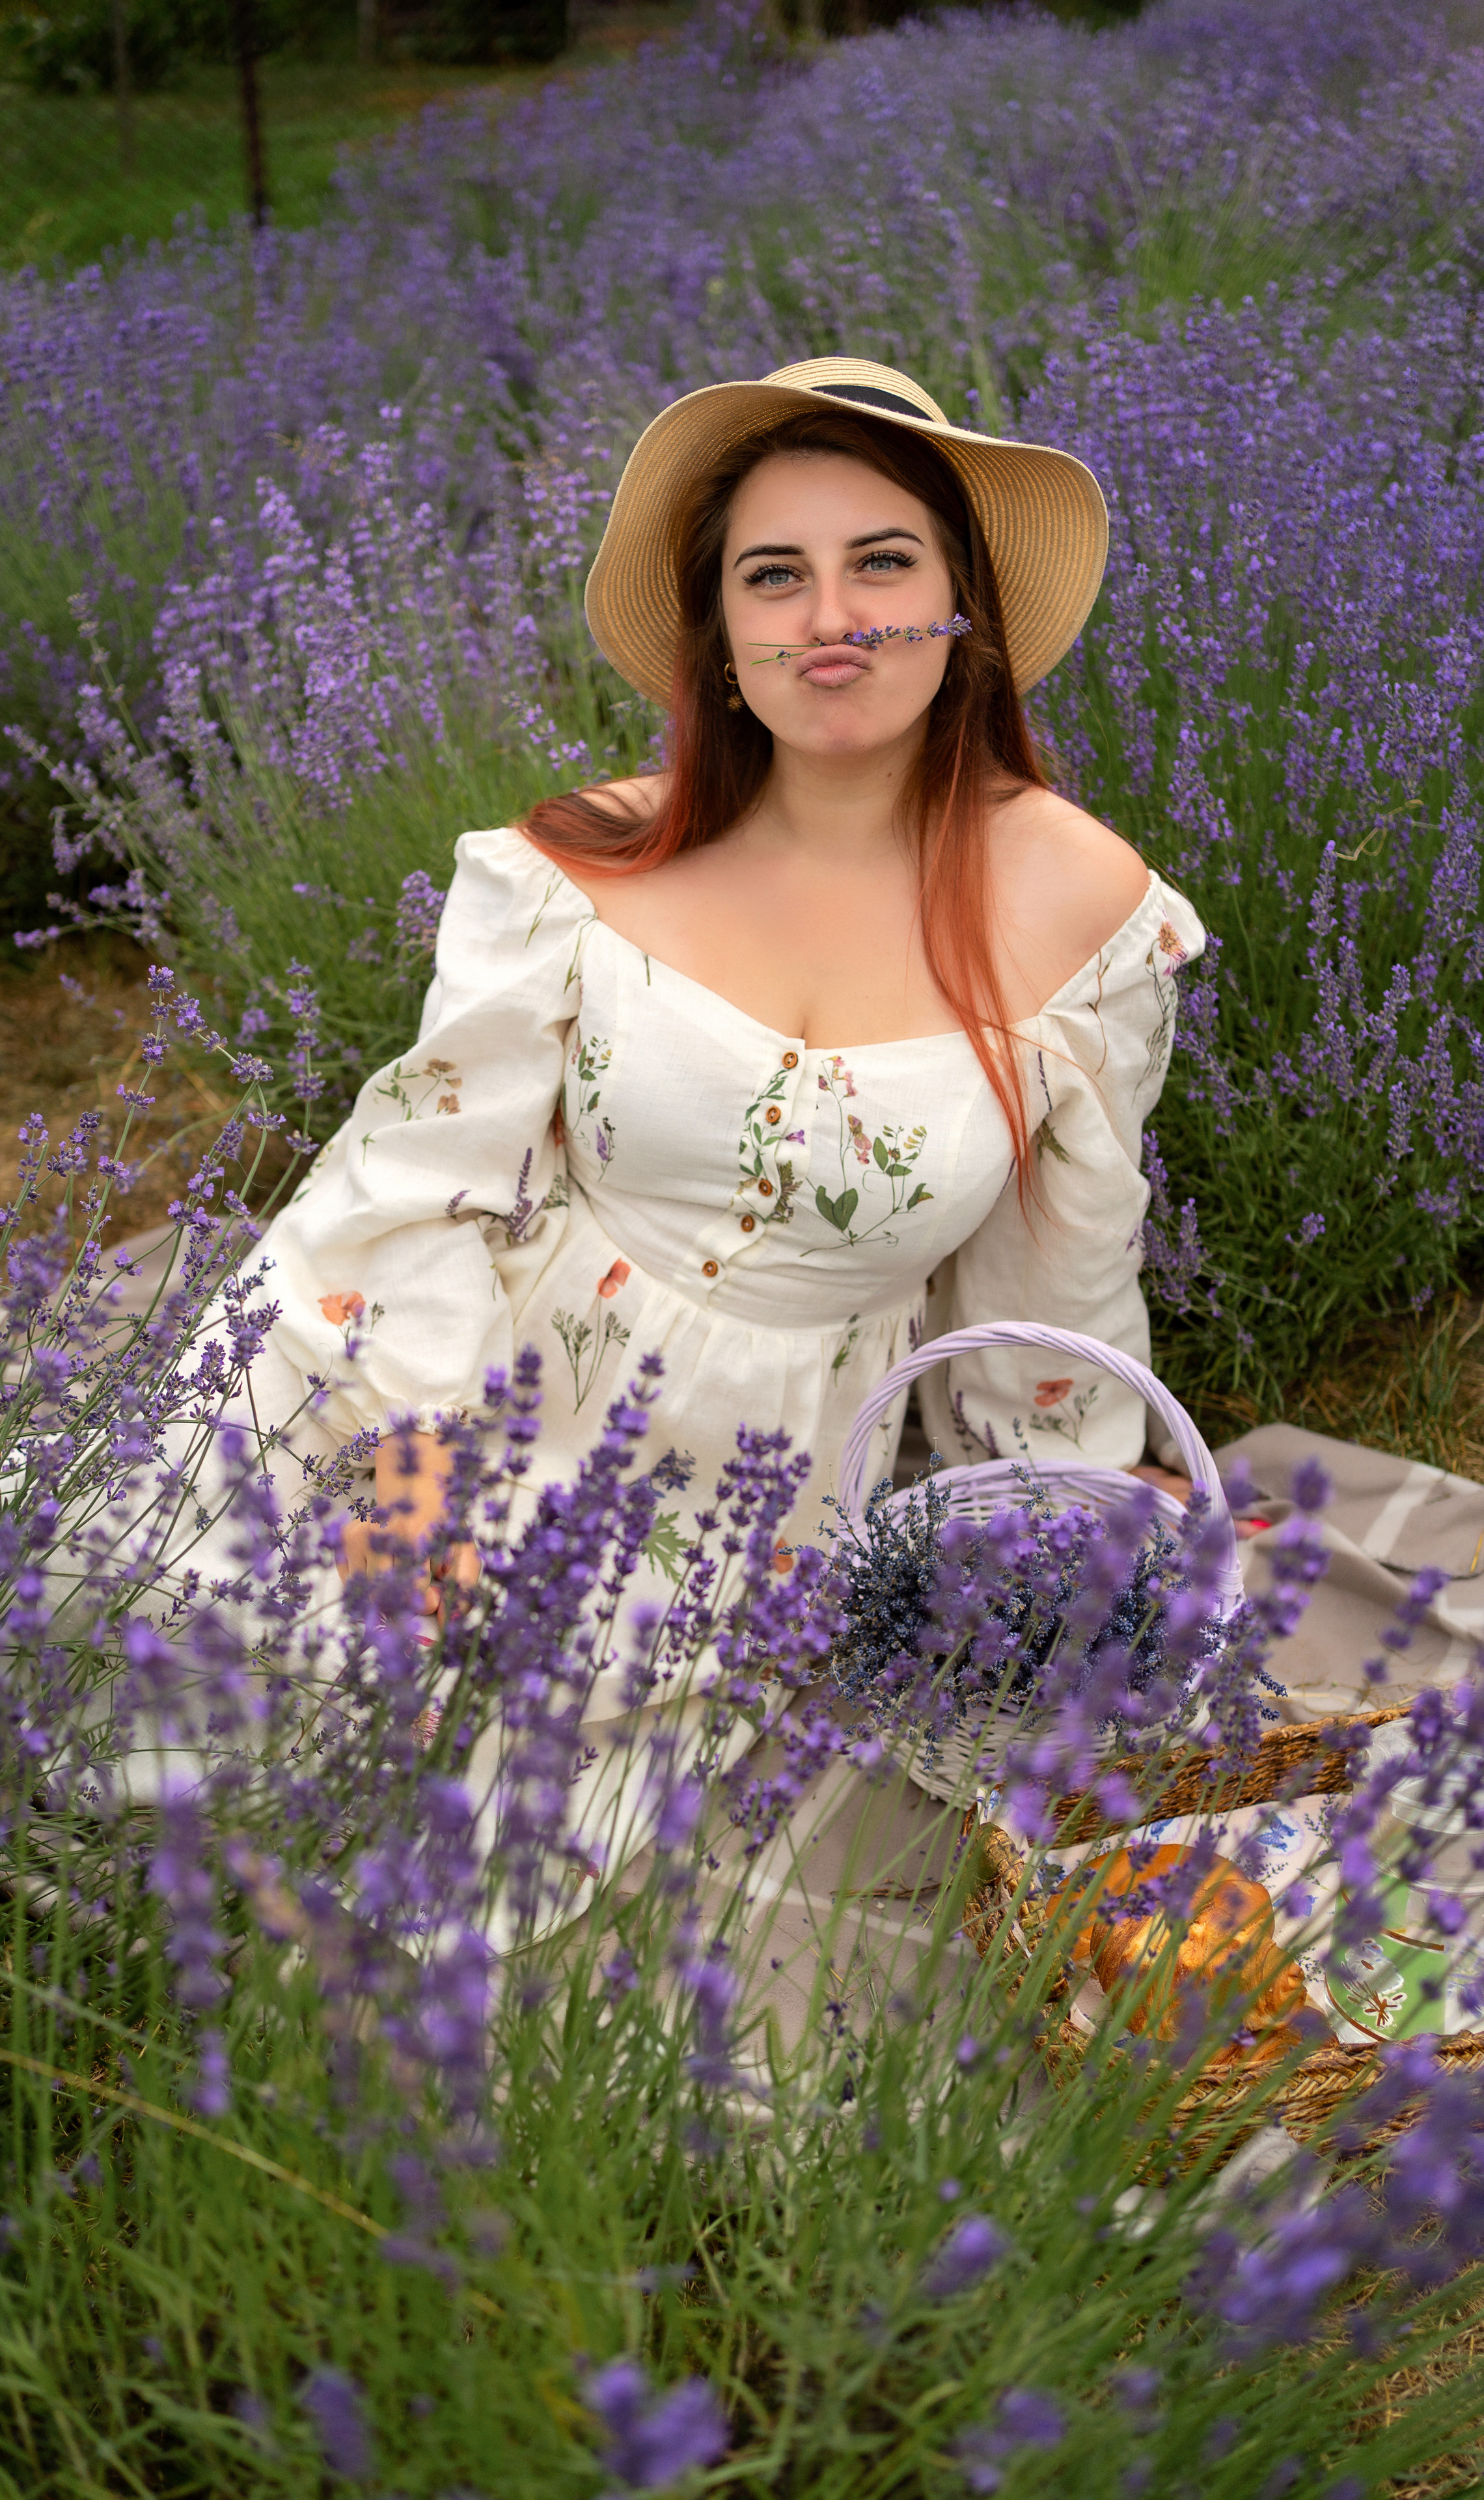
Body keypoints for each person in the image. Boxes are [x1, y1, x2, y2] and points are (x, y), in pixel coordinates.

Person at [214, 355, 1206, 1907]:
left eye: (884, 561)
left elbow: (1051, 1274)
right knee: (256, 1734)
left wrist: (1061, 1515)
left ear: (963, 612)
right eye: (775, 576)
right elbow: (414, 1176)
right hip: (487, 1370)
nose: (833, 617)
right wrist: (407, 1461)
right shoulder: (583, 867)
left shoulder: (1079, 911)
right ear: (722, 635)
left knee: (530, 1854)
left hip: (768, 1461)